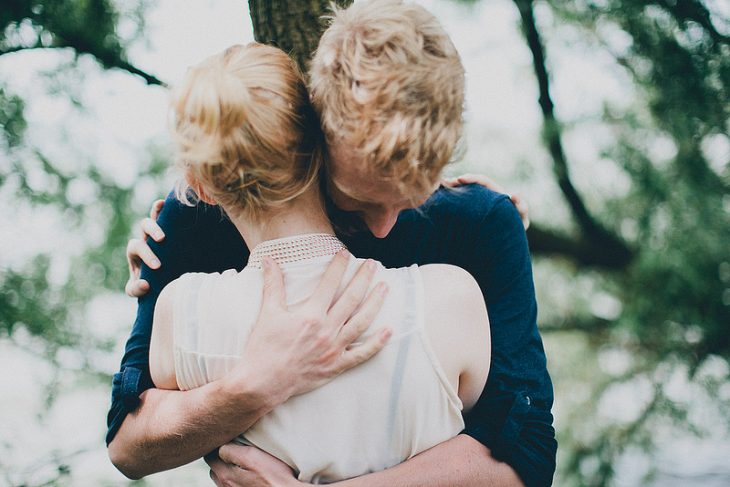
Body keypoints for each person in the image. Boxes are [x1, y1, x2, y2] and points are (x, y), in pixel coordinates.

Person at [108, 1, 556, 486]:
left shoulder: (480, 223)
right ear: (316, 128)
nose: (385, 227)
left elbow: (525, 457)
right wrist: (253, 386)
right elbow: (128, 444)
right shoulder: (205, 216)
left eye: (412, 200)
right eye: (360, 198)